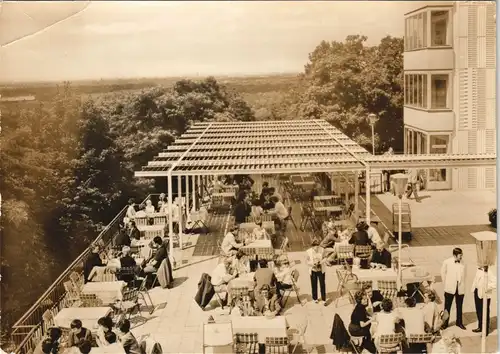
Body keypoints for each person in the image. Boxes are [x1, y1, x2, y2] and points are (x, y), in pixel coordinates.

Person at [440, 247, 466, 330]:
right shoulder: (447, 262)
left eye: (462, 255)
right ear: (455, 255)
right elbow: (442, 273)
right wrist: (446, 283)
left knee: (460, 306)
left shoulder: (463, 263)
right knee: (447, 307)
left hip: (460, 287)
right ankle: (445, 323)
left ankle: (459, 322)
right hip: (450, 288)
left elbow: (465, 274)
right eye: (460, 255)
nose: (461, 257)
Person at [471, 265, 496, 335]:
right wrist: (473, 288)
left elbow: (495, 282)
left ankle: (486, 330)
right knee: (478, 311)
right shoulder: (478, 269)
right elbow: (475, 279)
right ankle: (480, 327)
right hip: (477, 292)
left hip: (485, 295)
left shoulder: (489, 272)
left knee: (485, 312)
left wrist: (486, 287)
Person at [306, 240, 327, 305]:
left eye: (317, 247)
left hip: (321, 269)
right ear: (312, 247)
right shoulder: (308, 252)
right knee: (314, 284)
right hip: (313, 269)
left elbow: (325, 258)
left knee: (322, 284)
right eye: (315, 247)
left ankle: (324, 299)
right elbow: (307, 261)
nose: (316, 248)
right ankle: (315, 298)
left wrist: (321, 262)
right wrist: (312, 263)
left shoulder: (322, 250)